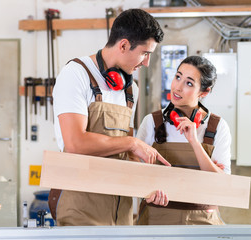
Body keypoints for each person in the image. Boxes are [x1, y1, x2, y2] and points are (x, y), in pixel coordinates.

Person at [50, 9, 171, 226]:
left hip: (121, 211)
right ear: (123, 45)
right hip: (81, 209)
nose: (146, 63)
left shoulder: (129, 89)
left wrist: (146, 188)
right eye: (145, 53)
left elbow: (128, 155)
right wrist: (133, 142)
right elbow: (75, 143)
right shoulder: (76, 75)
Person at [136, 56, 232, 225]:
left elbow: (223, 186)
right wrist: (147, 192)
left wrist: (194, 142)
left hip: (202, 223)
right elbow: (134, 176)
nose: (177, 87)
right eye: (177, 77)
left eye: (189, 83)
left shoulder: (217, 127)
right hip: (156, 220)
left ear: (204, 92)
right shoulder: (151, 122)